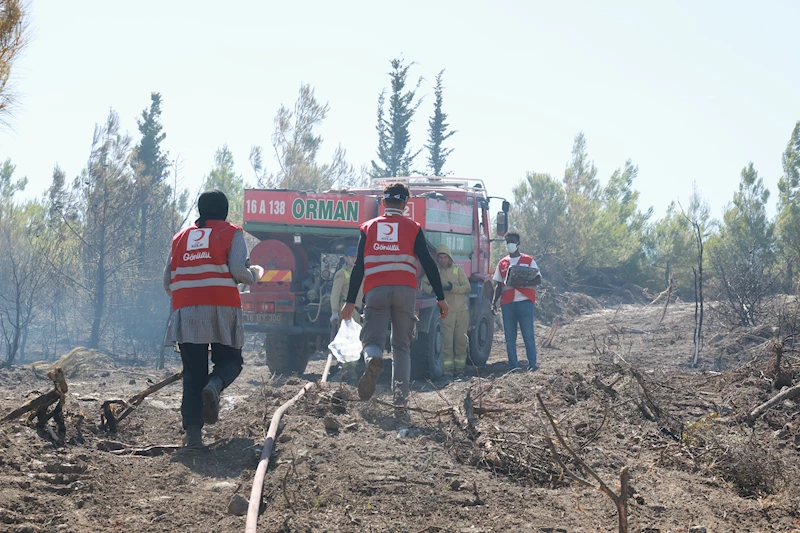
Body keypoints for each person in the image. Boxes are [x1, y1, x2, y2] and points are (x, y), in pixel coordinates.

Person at [163, 189, 264, 448]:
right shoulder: (232, 232)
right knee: (231, 360)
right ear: (225, 211)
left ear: (200, 210)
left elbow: (167, 281)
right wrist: (256, 274)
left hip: (186, 311)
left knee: (193, 372)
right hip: (222, 308)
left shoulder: (180, 237)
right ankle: (215, 386)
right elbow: (239, 270)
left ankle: (193, 436)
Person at [340, 182, 448, 415]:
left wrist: (350, 302)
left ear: (383, 202)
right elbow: (429, 264)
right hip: (405, 292)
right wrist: (440, 297)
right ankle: (400, 403)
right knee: (401, 346)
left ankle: (374, 358)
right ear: (405, 203)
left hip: (376, 291)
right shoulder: (413, 228)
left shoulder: (368, 228)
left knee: (372, 341)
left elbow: (358, 267)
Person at [421, 244, 471, 377]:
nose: (443, 260)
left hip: (461, 311)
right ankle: (447, 371)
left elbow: (467, 287)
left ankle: (460, 370)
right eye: (440, 257)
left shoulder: (457, 270)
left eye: (445, 257)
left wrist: (452, 287)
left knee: (460, 341)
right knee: (447, 342)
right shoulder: (434, 271)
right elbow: (423, 283)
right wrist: (432, 290)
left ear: (449, 258)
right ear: (437, 259)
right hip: (446, 311)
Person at [492, 231, 539, 372]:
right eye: (507, 242)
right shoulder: (502, 263)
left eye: (512, 241)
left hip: (525, 302)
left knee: (528, 335)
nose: (509, 244)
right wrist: (494, 302)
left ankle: (532, 365)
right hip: (508, 304)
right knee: (510, 338)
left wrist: (523, 282)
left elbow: (538, 279)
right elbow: (498, 285)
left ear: (518, 243)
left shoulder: (529, 260)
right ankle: (513, 366)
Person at [329, 246, 364, 381]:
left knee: (355, 341)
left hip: (357, 311)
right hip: (346, 311)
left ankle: (351, 371)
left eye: (356, 256)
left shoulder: (361, 272)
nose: (354, 259)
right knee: (347, 341)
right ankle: (346, 371)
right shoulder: (342, 274)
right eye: (352, 256)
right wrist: (334, 312)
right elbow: (335, 295)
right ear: (346, 258)